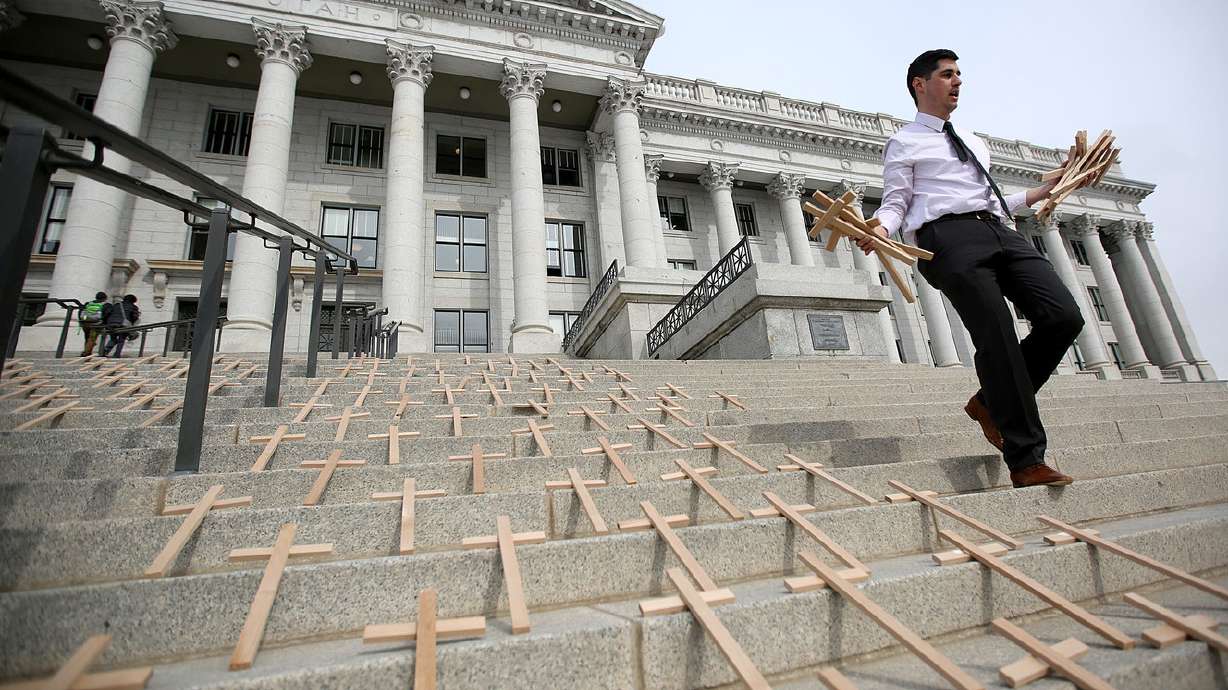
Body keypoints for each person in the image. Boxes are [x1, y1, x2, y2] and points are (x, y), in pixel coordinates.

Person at [860, 49, 1082, 489]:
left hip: (999, 230)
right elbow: (897, 201)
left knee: (1063, 317)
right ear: (920, 85)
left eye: (959, 74)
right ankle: (1026, 460)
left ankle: (988, 403)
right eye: (947, 75)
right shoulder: (904, 141)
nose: (957, 81)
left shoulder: (974, 140)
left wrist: (1042, 190)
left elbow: (991, 200)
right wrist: (882, 228)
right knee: (997, 334)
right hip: (948, 240)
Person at [78, 291, 107, 357]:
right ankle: (86, 352)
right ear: (104, 298)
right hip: (96, 323)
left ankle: (87, 351)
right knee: (92, 338)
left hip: (85, 323)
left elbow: (81, 311)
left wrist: (81, 320)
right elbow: (106, 314)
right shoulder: (104, 305)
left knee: (87, 337)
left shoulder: (88, 303)